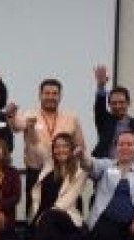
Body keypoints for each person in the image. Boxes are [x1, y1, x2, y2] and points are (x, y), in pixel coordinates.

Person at [18, 132, 89, 240]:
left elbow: (67, 200)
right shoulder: (49, 163)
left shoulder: (80, 170)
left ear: (72, 149)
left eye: (65, 146)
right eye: (57, 147)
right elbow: (35, 143)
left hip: (67, 217)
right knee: (50, 234)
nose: (60, 150)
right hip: (45, 219)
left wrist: (45, 215)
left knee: (49, 219)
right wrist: (29, 128)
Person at [6, 78, 88, 212]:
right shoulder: (30, 115)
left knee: (67, 213)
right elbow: (16, 126)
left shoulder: (72, 117)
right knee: (35, 214)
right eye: (47, 93)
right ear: (40, 95)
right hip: (37, 174)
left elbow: (80, 146)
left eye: (54, 93)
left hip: (65, 173)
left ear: (60, 96)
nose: (50, 97)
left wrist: (75, 163)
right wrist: (11, 116)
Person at [91, 65, 134, 159]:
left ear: (128, 103)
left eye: (121, 102)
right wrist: (101, 86)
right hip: (106, 165)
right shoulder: (104, 121)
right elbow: (99, 108)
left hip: (130, 166)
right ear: (109, 104)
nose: (118, 106)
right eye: (114, 103)